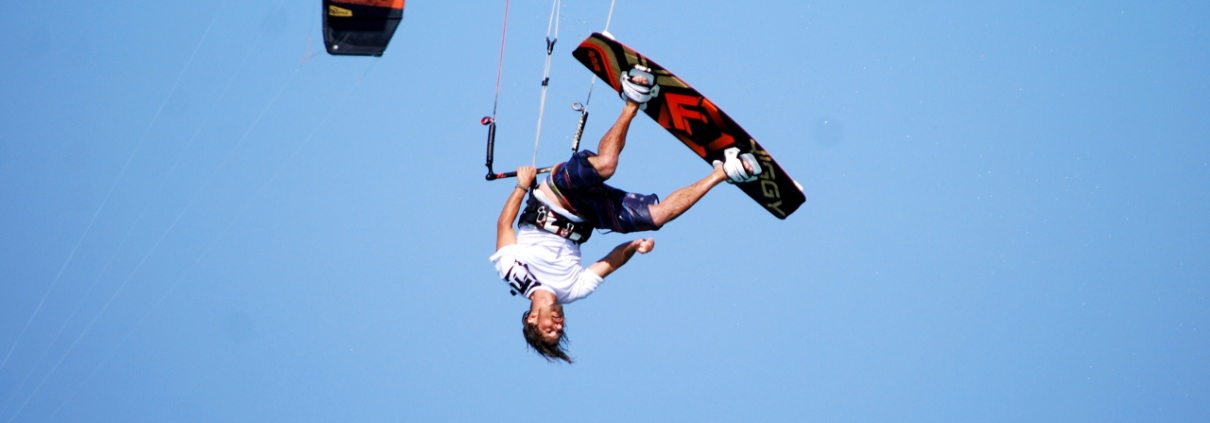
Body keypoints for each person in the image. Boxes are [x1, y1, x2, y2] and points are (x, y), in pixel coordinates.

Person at [490, 67, 761, 363]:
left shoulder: (513, 273)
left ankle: (632, 100)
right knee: (657, 218)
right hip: (587, 215)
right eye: (559, 329)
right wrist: (634, 247)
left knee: (606, 164)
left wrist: (521, 186)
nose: (557, 324)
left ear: (531, 320)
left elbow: (504, 225)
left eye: (549, 329)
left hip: (554, 192)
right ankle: (724, 171)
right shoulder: (573, 291)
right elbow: (610, 262)